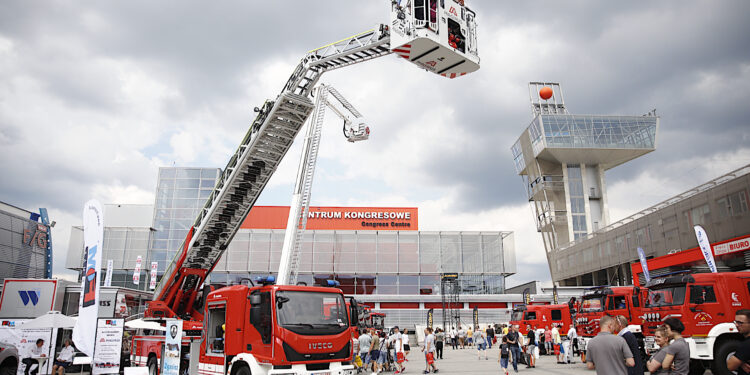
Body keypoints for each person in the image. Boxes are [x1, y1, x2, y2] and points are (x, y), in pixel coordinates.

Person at [728, 309, 750, 374]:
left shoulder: (746, 345)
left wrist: (739, 363)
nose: (736, 325)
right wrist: (741, 363)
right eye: (735, 322)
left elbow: (730, 366)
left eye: (740, 323)